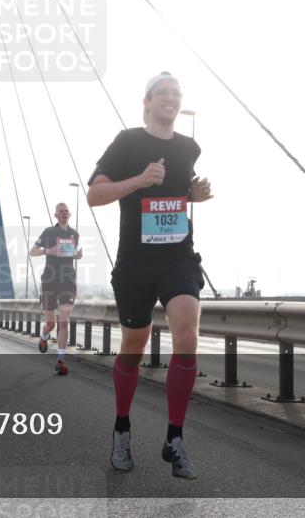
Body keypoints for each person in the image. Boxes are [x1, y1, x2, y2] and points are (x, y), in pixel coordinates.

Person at [87, 72, 213, 480]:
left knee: (187, 336)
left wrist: (195, 195)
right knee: (134, 345)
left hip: (178, 258)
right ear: (146, 102)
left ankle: (174, 439)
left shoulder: (190, 147)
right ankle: (122, 428)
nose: (171, 99)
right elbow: (95, 194)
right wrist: (140, 180)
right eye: (163, 93)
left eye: (176, 93)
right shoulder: (128, 142)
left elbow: (178, 192)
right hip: (136, 264)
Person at [29, 202, 82, 376]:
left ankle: (60, 360)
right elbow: (32, 251)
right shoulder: (48, 232)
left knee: (64, 319)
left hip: (68, 280)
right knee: (51, 323)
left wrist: (77, 255)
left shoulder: (75, 234)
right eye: (61, 212)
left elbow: (68, 253)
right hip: (50, 280)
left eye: (67, 211)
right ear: (56, 215)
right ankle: (44, 336)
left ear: (69, 214)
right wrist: (46, 251)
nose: (64, 214)